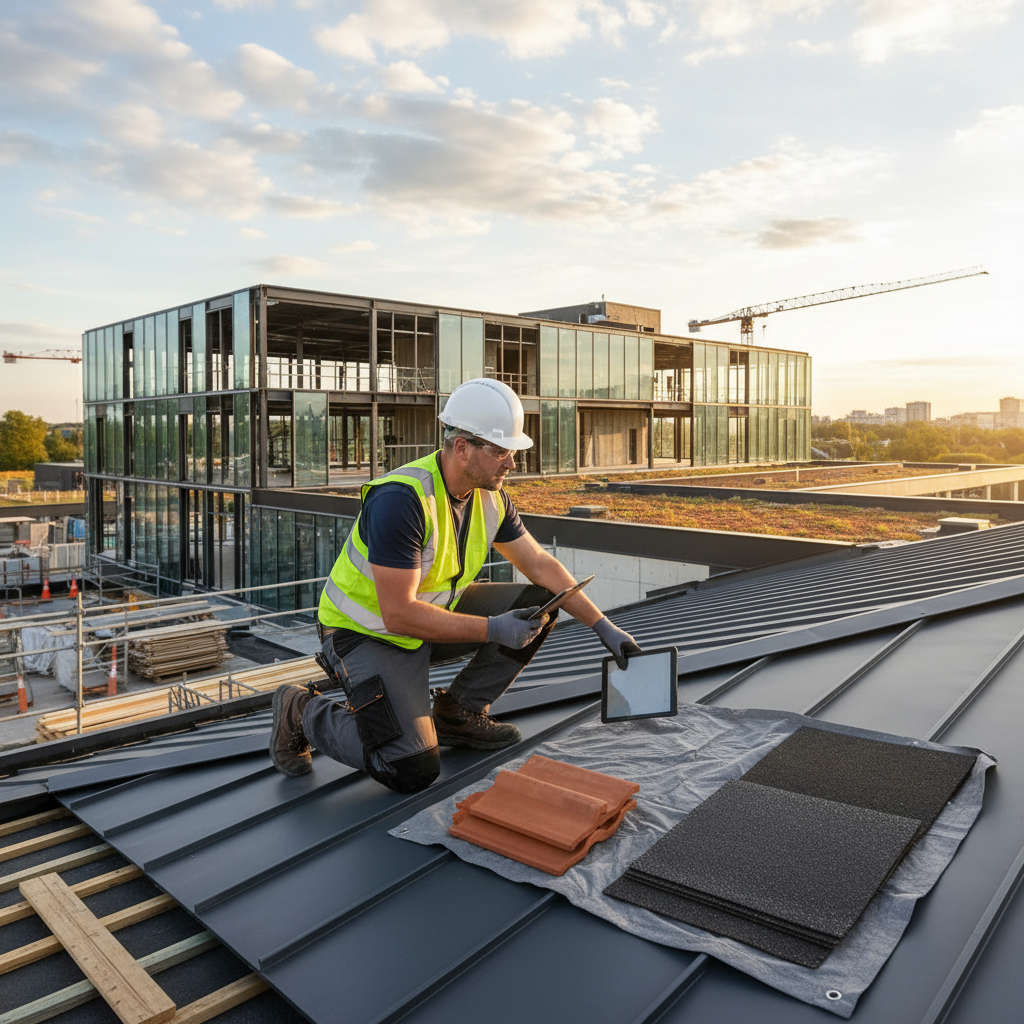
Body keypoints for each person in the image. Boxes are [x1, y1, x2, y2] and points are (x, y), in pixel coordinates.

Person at [270, 377, 641, 793]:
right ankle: (299, 710)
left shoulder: (490, 496)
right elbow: (397, 614)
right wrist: (493, 629)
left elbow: (538, 563)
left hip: (431, 615)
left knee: (543, 602)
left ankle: (458, 713)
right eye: (501, 451)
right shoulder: (402, 500)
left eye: (512, 451)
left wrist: (603, 627)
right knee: (409, 766)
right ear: (462, 447)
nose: (512, 463)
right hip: (365, 633)